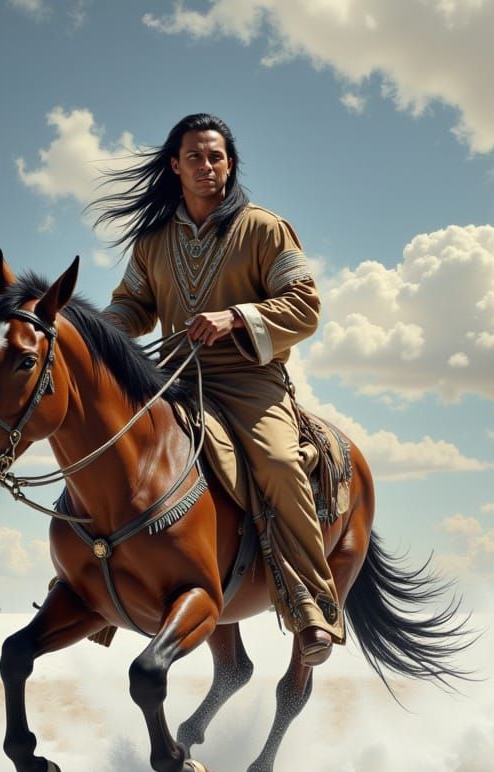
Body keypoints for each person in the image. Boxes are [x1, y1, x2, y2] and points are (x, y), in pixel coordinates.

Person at [92, 113, 343, 665]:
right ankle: (94, 589)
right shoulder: (153, 241)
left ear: (229, 165)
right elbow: (134, 305)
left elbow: (306, 306)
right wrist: (98, 328)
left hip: (250, 381)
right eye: (195, 157)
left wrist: (236, 316)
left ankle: (311, 608)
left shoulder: (264, 228)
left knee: (278, 461)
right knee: (106, 445)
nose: (207, 167)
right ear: (175, 166)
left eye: (217, 157)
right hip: (174, 379)